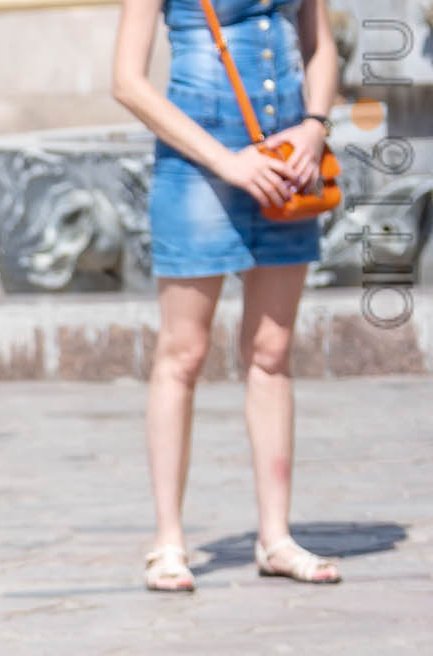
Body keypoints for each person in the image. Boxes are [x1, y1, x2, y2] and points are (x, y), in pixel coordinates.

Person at [113, 0, 344, 590]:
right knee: (183, 354)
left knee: (271, 351)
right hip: (197, 170)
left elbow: (319, 45)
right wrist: (227, 162)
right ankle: (168, 542)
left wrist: (315, 126)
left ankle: (276, 538)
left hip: (287, 163)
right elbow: (127, 82)